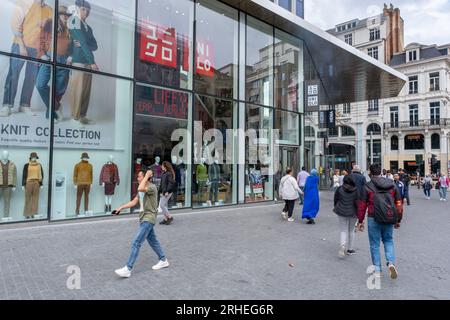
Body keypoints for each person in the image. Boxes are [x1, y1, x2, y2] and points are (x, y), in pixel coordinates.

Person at [1, 0, 53, 117]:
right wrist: (21, 46)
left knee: (31, 77)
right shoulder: (23, 3)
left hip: (37, 50)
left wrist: (43, 51)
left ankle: (24, 105)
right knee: (13, 75)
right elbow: (15, 26)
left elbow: (48, 34)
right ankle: (7, 105)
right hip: (20, 45)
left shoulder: (49, 10)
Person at [114, 170, 169, 278]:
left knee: (136, 242)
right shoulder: (142, 189)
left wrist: (147, 175)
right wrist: (121, 207)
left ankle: (128, 268)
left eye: (139, 176)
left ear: (145, 177)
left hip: (148, 218)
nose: (137, 178)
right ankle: (163, 260)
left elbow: (140, 188)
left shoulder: (152, 188)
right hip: (143, 218)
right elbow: (134, 202)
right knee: (153, 241)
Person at [357, 164, 403, 279]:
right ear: (381, 172)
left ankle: (377, 270)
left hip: (373, 217)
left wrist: (360, 221)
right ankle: (391, 262)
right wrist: (398, 219)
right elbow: (399, 204)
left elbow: (362, 205)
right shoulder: (392, 185)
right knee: (388, 240)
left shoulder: (367, 186)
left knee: (374, 244)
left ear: (370, 173)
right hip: (389, 216)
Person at [36, 5, 73, 122]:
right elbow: (41, 39)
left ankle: (51, 113)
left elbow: (73, 46)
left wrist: (71, 56)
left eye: (67, 15)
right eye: (63, 15)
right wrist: (42, 54)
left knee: (59, 89)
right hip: (48, 58)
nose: (66, 17)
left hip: (64, 60)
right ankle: (56, 107)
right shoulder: (49, 25)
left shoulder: (70, 30)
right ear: (58, 15)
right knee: (40, 84)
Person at [67, 0, 98, 126]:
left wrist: (85, 44)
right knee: (77, 90)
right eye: (84, 9)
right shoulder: (74, 21)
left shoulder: (88, 28)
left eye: (88, 10)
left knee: (86, 90)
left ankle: (82, 116)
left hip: (86, 61)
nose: (87, 12)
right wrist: (92, 62)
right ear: (78, 9)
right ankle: (74, 118)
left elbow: (95, 46)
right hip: (79, 61)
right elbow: (84, 43)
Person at [334, 175, 359, 257]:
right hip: (353, 212)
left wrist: (336, 207)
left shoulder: (340, 189)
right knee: (351, 230)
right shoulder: (356, 190)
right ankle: (350, 249)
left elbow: (336, 199)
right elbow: (358, 203)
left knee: (343, 230)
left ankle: (342, 246)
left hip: (341, 211)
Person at [159, 161, 175, 225]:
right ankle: (166, 219)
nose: (161, 166)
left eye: (162, 165)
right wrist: (160, 191)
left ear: (165, 166)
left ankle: (169, 217)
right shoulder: (163, 173)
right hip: (163, 191)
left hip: (167, 192)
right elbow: (161, 184)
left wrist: (167, 191)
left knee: (161, 205)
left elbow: (170, 183)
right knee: (164, 205)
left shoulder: (169, 173)